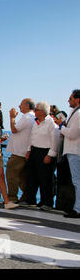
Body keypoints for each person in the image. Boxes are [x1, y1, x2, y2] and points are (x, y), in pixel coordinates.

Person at [23, 101, 60, 211]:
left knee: (45, 179)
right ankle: (30, 200)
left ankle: (47, 202)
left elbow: (55, 141)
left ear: (43, 112)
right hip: (34, 151)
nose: (34, 111)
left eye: (37, 110)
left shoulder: (51, 124)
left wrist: (50, 155)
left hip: (45, 152)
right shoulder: (36, 122)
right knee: (31, 177)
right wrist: (29, 150)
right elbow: (32, 137)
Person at [55, 90, 80, 218]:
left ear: (78, 99)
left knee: (77, 181)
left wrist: (61, 126)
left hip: (75, 151)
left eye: (70, 98)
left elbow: (72, 134)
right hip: (73, 151)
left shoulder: (78, 114)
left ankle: (78, 209)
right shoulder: (75, 113)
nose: (68, 100)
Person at [6, 98, 35, 203]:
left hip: (19, 152)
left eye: (21, 104)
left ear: (27, 106)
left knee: (11, 174)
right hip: (25, 151)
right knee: (23, 177)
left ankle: (12, 198)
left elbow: (14, 129)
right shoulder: (32, 117)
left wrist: (12, 117)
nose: (19, 106)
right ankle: (26, 197)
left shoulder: (27, 117)